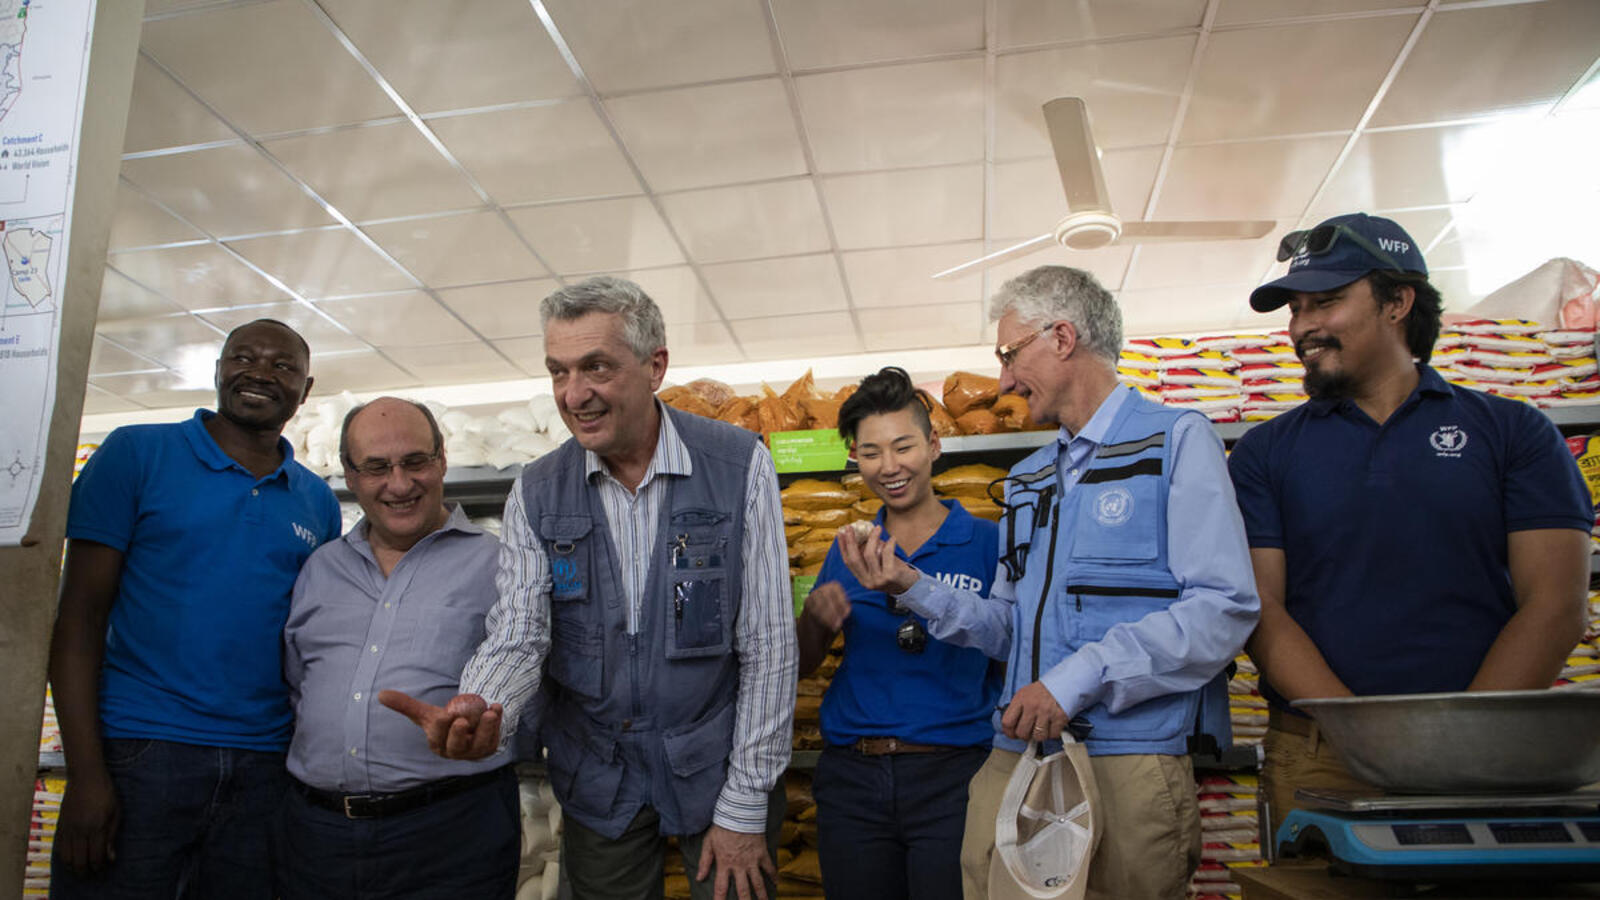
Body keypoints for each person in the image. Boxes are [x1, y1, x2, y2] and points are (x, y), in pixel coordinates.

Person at [837, 265, 1259, 900]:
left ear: (1062, 337)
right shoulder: (1030, 478)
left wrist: (1074, 679)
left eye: (1009, 355)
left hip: (1128, 758)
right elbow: (1009, 629)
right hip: (1019, 754)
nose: (1004, 380)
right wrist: (911, 585)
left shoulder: (1174, 441)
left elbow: (1224, 608)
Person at [380, 276, 797, 900]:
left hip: (714, 768)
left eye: (596, 367)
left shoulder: (737, 466)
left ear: (655, 366)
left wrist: (745, 802)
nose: (574, 394)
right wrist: (484, 703)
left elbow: (767, 644)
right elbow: (520, 632)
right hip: (600, 776)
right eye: (559, 371)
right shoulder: (537, 490)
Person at [1229, 213, 1593, 832]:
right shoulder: (1264, 453)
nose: (1302, 326)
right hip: (1318, 755)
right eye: (1295, 309)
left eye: (1325, 302)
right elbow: (1261, 607)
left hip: (1486, 754)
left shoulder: (1513, 432)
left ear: (1397, 303)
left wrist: (1458, 741)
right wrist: (1365, 737)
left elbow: (1556, 605)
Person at [48, 319, 341, 897]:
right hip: (141, 754)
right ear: (218, 370)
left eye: (283, 365)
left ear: (306, 390)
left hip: (265, 767)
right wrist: (85, 775)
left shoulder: (316, 500)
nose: (260, 372)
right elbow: (79, 622)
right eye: (243, 357)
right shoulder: (136, 454)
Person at [276, 397, 518, 898]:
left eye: (415, 461)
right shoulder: (320, 568)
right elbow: (298, 686)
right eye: (376, 467)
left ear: (442, 459)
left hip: (452, 832)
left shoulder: (501, 565)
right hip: (317, 835)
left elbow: (531, 679)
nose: (400, 484)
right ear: (350, 474)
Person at [796, 367, 1001, 900]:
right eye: (870, 452)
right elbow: (804, 664)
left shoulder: (988, 542)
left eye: (903, 446)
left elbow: (1012, 647)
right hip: (854, 778)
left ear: (933, 446)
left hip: (955, 775)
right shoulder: (848, 548)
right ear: (855, 458)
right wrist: (814, 621)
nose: (889, 467)